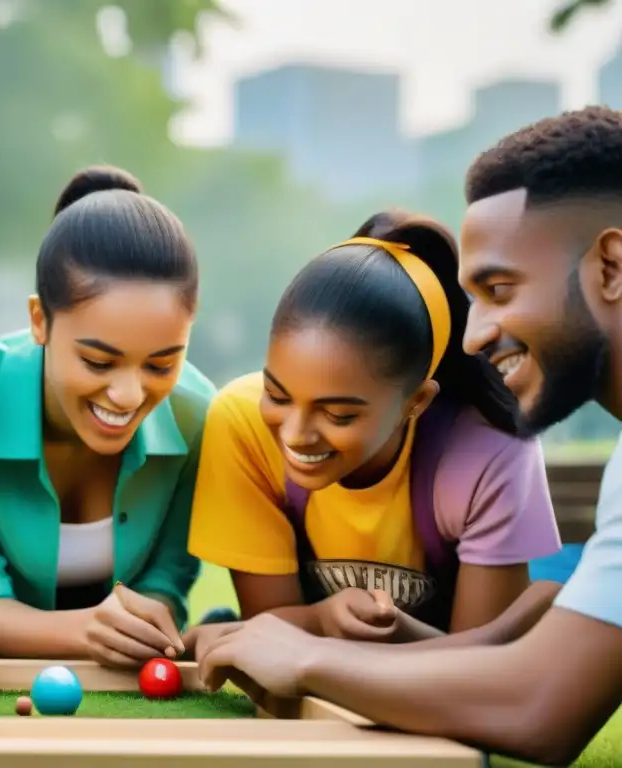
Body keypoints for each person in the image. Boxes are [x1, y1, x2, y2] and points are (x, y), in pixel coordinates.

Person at [195, 105, 622, 767]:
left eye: (501, 289)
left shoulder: (487, 448)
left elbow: (539, 707)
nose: (474, 336)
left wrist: (307, 654)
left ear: (613, 266)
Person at [185, 210, 562, 651]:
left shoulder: (489, 452)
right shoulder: (244, 423)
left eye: (339, 415)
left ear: (416, 402)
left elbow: (479, 669)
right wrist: (320, 619)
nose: (295, 434)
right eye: (278, 394)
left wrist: (387, 628)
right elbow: (269, 634)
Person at [0, 165, 215, 668]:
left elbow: (167, 583)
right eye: (98, 361)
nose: (128, 394)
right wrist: (88, 630)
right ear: (38, 321)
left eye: (162, 363)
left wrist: (150, 617)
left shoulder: (200, 419)